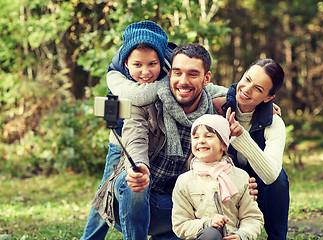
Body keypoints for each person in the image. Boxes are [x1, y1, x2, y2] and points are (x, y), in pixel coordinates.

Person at [91, 43, 261, 239]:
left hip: (176, 207)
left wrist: (239, 182)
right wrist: (138, 166)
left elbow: (221, 154)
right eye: (177, 73)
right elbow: (134, 138)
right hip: (134, 200)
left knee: (202, 212)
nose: (183, 81)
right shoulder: (146, 104)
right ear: (170, 73)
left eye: (192, 74)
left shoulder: (214, 115)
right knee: (134, 181)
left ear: (206, 78)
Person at [81, 20, 175, 240]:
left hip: (156, 140)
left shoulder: (172, 67)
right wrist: (169, 85)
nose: (145, 72)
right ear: (126, 62)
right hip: (121, 141)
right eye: (137, 65)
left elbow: (202, 85)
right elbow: (139, 96)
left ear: (161, 60)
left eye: (152, 64)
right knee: (105, 192)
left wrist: (232, 95)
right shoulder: (115, 75)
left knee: (145, 188)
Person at [221, 58, 290, 240]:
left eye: (258, 89)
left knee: (279, 178)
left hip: (258, 187)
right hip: (225, 182)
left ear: (268, 98)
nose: (247, 89)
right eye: (247, 79)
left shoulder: (274, 123)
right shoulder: (217, 107)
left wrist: (241, 136)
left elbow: (270, 176)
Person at [172, 113, 264, 240]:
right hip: (204, 237)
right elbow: (180, 224)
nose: (201, 141)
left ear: (224, 145)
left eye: (209, 136)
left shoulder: (241, 177)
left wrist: (242, 235)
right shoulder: (185, 181)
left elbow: (252, 217)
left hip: (232, 236)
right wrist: (207, 223)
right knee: (211, 234)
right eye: (195, 137)